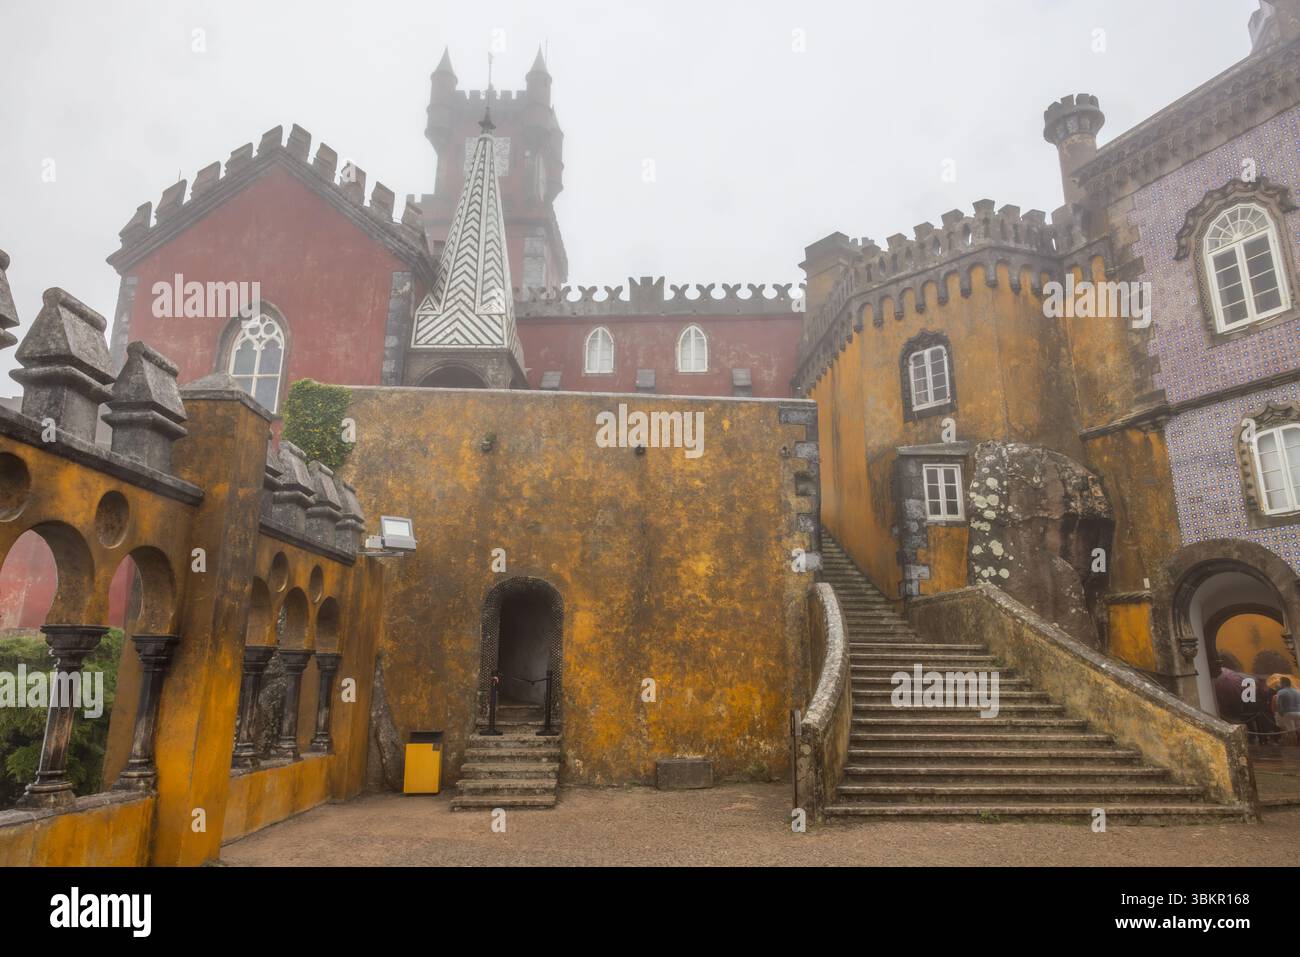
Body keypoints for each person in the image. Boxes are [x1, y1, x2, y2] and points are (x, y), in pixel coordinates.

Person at [1273, 677, 1300, 746]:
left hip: (1288, 713)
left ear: (1284, 683)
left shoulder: (1281, 692)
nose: (1279, 684)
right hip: (1298, 712)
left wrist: (1281, 713)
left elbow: (1279, 704)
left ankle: (1293, 745)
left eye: (1280, 682)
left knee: (1291, 731)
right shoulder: (1297, 691)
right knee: (1298, 730)